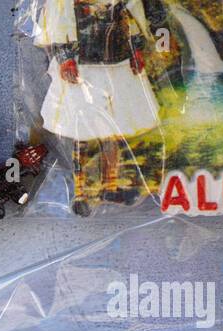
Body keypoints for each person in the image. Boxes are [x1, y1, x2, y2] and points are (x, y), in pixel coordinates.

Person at [33, 0, 162, 213]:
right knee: (81, 133)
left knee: (113, 131)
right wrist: (65, 58)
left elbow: (131, 13)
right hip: (82, 65)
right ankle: (81, 190)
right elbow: (59, 20)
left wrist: (135, 49)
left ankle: (110, 185)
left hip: (118, 61)